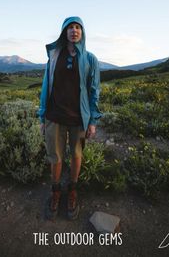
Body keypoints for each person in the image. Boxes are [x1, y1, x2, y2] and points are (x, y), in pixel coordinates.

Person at [37, 16, 101, 220]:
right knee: (55, 156)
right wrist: (41, 116)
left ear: (82, 33)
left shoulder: (90, 59)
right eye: (70, 27)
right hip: (54, 116)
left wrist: (92, 120)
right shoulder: (55, 56)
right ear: (64, 32)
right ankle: (55, 191)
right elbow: (46, 86)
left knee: (76, 155)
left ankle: (72, 190)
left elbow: (94, 91)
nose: (74, 30)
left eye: (78, 27)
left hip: (78, 118)